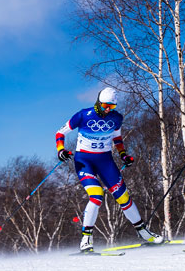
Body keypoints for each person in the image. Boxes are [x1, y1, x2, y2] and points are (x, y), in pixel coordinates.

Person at [55, 87, 164, 252]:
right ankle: (86, 239)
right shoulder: (83, 115)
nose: (108, 109)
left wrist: (123, 155)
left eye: (111, 107)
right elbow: (60, 133)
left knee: (123, 197)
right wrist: (61, 150)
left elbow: (117, 138)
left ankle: (144, 233)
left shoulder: (116, 118)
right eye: (106, 105)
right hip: (84, 161)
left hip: (105, 161)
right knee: (97, 195)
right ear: (98, 102)